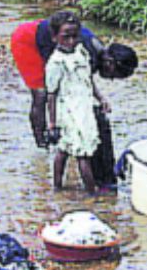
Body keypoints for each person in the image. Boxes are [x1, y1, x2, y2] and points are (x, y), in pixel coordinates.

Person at [10, 13, 138, 188]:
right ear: (109, 63)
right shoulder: (86, 51)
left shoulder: (91, 52)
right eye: (114, 75)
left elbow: (83, 83)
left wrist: (99, 100)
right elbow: (57, 91)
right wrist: (55, 124)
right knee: (40, 95)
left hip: (45, 31)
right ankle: (41, 146)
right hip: (28, 39)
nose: (111, 79)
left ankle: (64, 148)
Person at [44, 11, 107, 193]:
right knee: (81, 153)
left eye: (75, 36)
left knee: (65, 149)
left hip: (84, 109)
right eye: (66, 37)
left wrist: (101, 98)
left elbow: (88, 80)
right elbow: (51, 94)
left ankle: (58, 187)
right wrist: (52, 123)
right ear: (55, 37)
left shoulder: (81, 53)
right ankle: (91, 192)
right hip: (69, 112)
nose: (71, 41)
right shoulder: (56, 63)